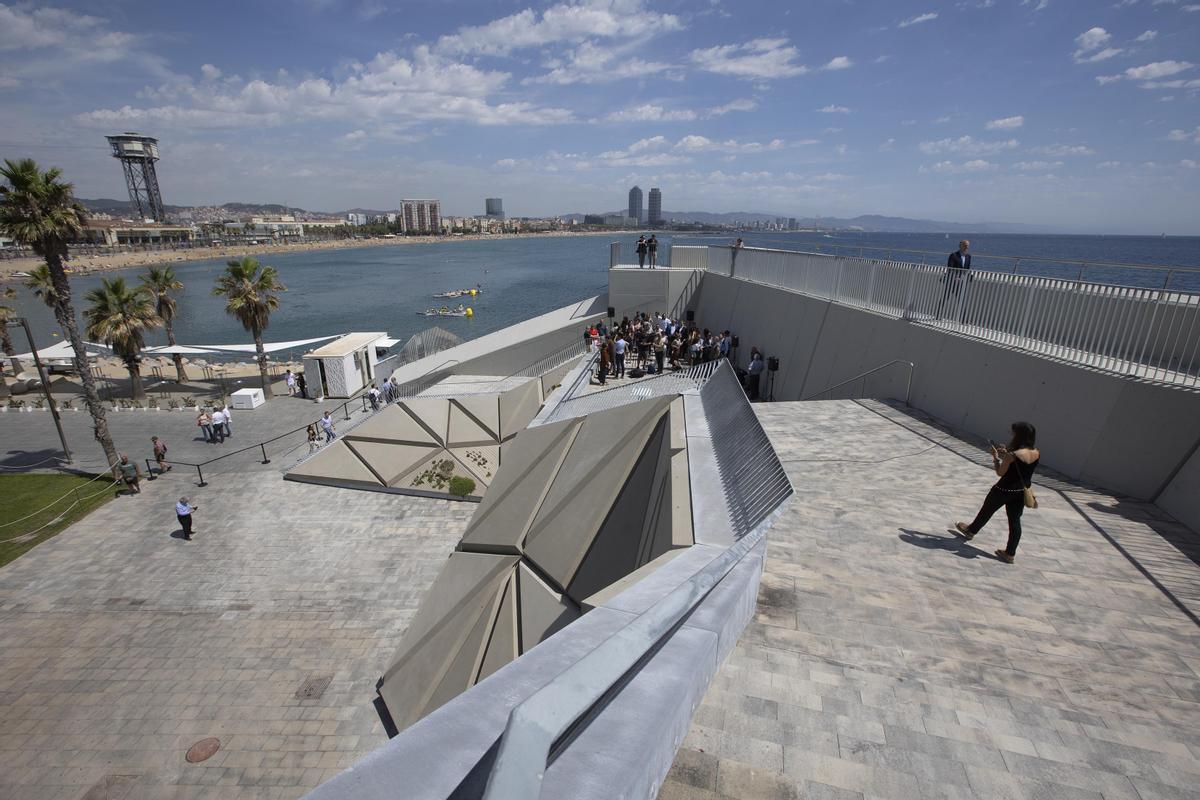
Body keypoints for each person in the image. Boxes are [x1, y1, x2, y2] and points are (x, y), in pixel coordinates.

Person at [955, 422, 1041, 564]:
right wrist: (1006, 451)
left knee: (986, 511)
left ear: (1019, 435)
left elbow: (1000, 472)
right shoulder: (1037, 452)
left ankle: (971, 530)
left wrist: (995, 457)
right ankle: (1010, 553)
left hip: (1003, 489)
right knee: (1015, 521)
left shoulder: (1012, 455)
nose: (1012, 435)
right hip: (1021, 492)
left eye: (1014, 433)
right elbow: (1022, 463)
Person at [940, 239, 972, 320]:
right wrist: (955, 277)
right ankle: (937, 315)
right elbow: (950, 267)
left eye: (967, 246)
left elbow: (967, 269)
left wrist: (968, 276)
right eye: (965, 245)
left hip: (961, 282)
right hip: (951, 281)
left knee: (961, 301)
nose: (966, 247)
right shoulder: (954, 255)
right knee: (944, 298)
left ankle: (965, 320)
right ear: (960, 246)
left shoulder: (968, 257)